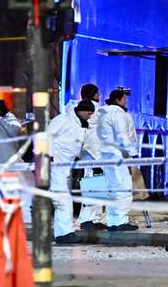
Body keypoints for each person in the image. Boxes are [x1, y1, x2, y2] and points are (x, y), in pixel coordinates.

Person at [49, 99, 95, 244]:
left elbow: (82, 147)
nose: (90, 117)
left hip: (64, 166)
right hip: (55, 163)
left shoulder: (80, 125)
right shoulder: (63, 120)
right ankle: (64, 234)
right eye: (89, 114)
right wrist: (48, 157)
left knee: (63, 198)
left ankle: (64, 233)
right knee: (62, 199)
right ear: (82, 111)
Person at [96, 88, 139, 231]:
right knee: (123, 188)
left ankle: (113, 221)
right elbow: (122, 135)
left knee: (113, 189)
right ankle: (120, 221)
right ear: (117, 100)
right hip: (117, 156)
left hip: (106, 155)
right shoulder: (118, 114)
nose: (126, 102)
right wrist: (133, 153)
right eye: (124, 99)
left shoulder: (103, 113)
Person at [71, 83, 108, 231]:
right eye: (98, 93)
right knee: (96, 185)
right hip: (95, 153)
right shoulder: (97, 109)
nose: (100, 95)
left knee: (89, 184)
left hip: (86, 152)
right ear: (93, 94)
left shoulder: (76, 108)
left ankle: (88, 218)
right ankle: (91, 219)